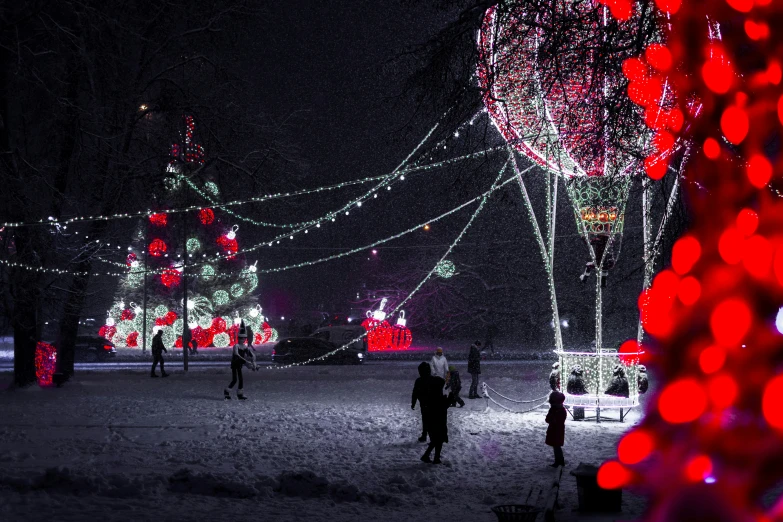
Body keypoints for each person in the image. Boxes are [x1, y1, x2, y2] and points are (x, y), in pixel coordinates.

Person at [421, 370, 449, 464]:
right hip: (438, 422)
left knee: (435, 440)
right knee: (438, 440)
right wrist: (448, 400)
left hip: (431, 422)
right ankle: (435, 458)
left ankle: (427, 456)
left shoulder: (430, 395)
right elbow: (441, 408)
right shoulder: (437, 397)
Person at [224, 323, 256, 400]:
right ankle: (226, 391)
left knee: (241, 379)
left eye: (244, 338)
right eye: (242, 338)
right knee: (235, 379)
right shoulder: (236, 346)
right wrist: (246, 362)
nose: (243, 340)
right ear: (239, 339)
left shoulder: (244, 347)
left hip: (239, 365)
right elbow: (237, 355)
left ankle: (240, 394)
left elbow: (251, 354)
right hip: (235, 364)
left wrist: (253, 361)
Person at [545, 391, 567, 467]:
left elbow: (551, 420)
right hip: (556, 430)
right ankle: (559, 461)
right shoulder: (557, 409)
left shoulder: (557, 410)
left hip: (556, 430)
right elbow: (548, 419)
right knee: (556, 446)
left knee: (556, 446)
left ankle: (559, 462)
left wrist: (553, 420)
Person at [411, 362, 432, 442]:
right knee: (431, 420)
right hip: (432, 403)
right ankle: (429, 436)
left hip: (424, 403)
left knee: (426, 420)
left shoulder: (419, 381)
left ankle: (425, 435)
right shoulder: (433, 380)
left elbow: (415, 393)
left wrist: (413, 403)